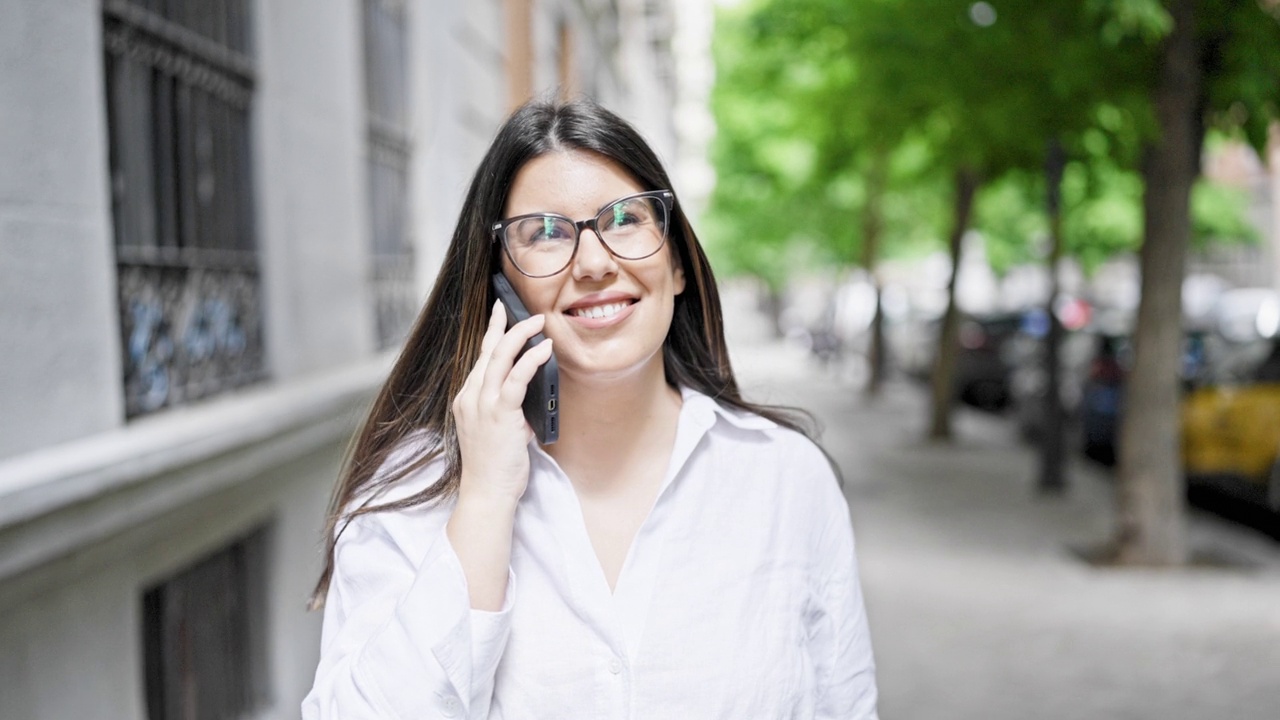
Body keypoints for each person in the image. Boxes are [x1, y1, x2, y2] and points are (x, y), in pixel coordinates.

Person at [302, 98, 878, 719]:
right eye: (545, 233)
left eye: (626, 219)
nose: (596, 263)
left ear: (677, 260)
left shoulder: (787, 478)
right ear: (500, 283)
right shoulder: (410, 493)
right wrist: (485, 502)